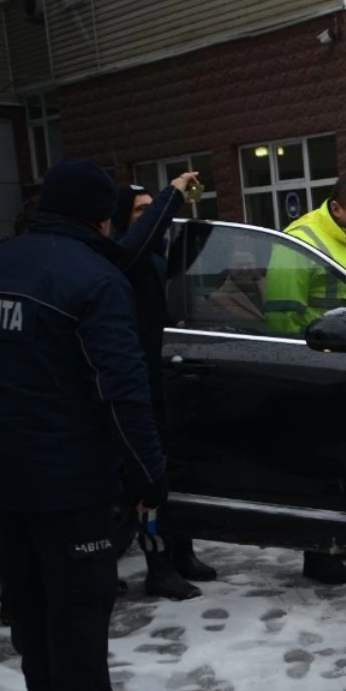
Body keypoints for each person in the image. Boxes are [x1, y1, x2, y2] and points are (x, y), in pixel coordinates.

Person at [0, 159, 165, 691]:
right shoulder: (94, 279)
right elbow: (120, 387)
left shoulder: (1, 262)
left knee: (29, 597)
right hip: (69, 479)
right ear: (101, 217)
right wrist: (148, 470)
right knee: (78, 604)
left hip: (4, 475)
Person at [268, 176, 346, 585]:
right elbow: (283, 316)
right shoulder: (299, 242)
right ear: (336, 208)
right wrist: (323, 357)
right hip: (319, 370)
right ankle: (318, 555)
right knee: (322, 466)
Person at [111, 181, 218, 601]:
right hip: (142, 386)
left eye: (149, 210)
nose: (149, 217)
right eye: (140, 211)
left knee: (176, 475)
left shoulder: (154, 257)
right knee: (148, 484)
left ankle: (182, 552)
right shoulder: (124, 258)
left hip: (172, 379)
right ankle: (158, 566)